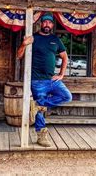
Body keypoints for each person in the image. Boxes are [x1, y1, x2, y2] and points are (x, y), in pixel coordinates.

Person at [17, 12, 72, 147]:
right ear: (41, 24)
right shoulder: (33, 38)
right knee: (41, 111)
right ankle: (41, 135)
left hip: (52, 80)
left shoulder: (55, 39)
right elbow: (19, 56)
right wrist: (24, 44)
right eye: (45, 22)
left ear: (52, 25)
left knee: (67, 96)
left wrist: (61, 74)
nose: (47, 24)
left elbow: (65, 57)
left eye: (49, 22)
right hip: (37, 81)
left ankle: (38, 104)